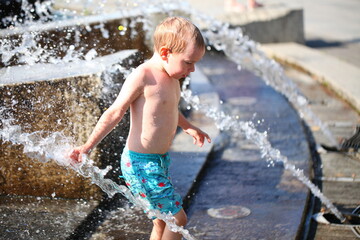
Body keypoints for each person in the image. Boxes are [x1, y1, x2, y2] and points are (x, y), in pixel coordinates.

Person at [70, 16, 211, 240]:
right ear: (165, 53)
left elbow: (171, 109)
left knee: (160, 221)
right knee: (178, 219)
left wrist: (189, 126)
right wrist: (87, 146)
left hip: (158, 161)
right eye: (188, 62)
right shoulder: (143, 75)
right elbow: (114, 112)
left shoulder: (173, 77)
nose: (192, 69)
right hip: (140, 164)